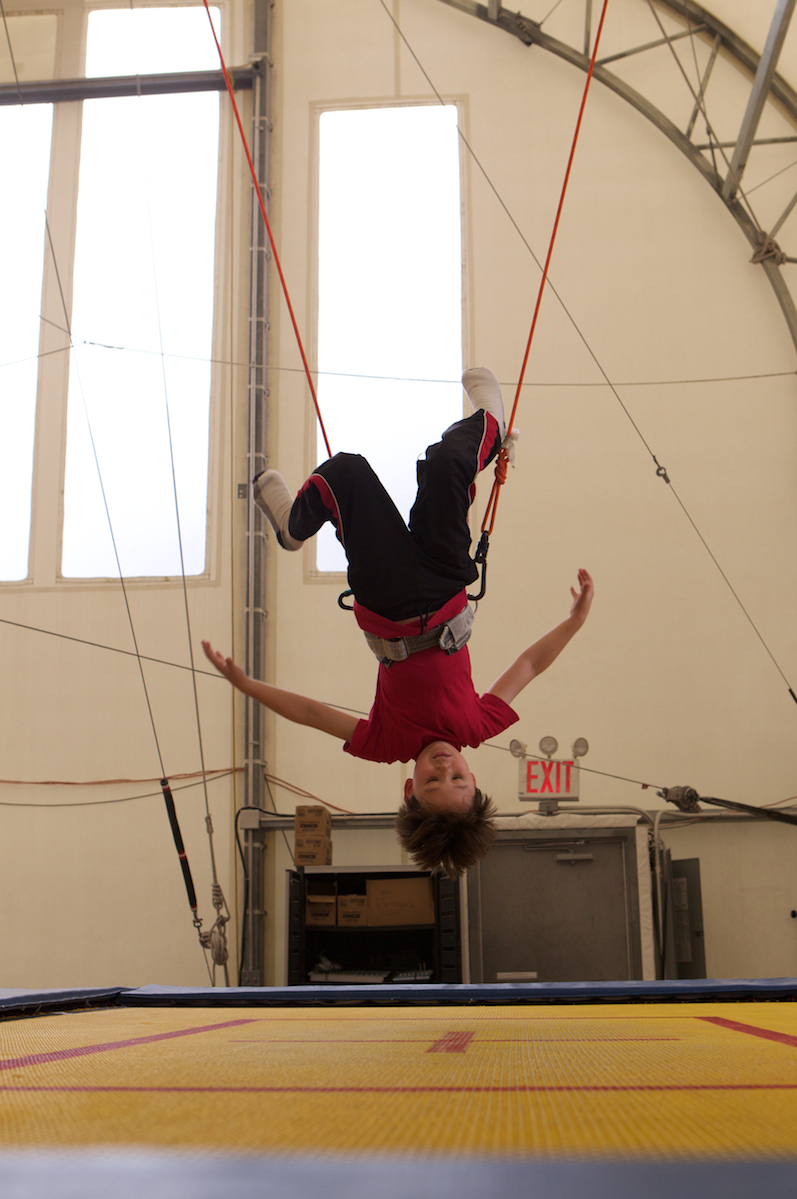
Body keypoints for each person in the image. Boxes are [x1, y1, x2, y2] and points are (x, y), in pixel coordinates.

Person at [202, 368, 594, 876]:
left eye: (432, 782)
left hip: (387, 601)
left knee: (344, 472)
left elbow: (311, 713)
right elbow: (529, 666)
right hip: (446, 585)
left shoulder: (386, 744)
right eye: (458, 779)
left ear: (410, 787)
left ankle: (291, 527)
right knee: (446, 464)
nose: (444, 768)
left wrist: (246, 684)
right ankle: (490, 424)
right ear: (473, 776)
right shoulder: (476, 726)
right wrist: (574, 622)